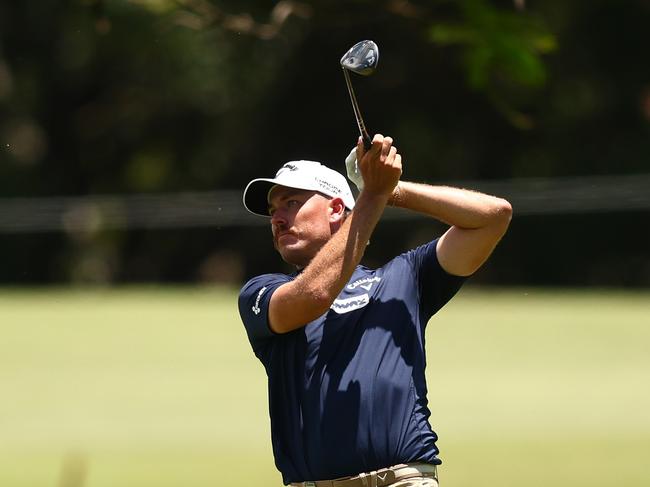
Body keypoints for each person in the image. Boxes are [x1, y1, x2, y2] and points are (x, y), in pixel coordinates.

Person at [238, 135, 512, 487]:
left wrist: (391, 190)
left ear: (337, 209)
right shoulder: (260, 293)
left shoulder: (404, 277)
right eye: (273, 210)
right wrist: (374, 195)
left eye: (291, 202)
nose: (277, 218)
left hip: (404, 479)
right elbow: (315, 295)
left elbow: (493, 217)